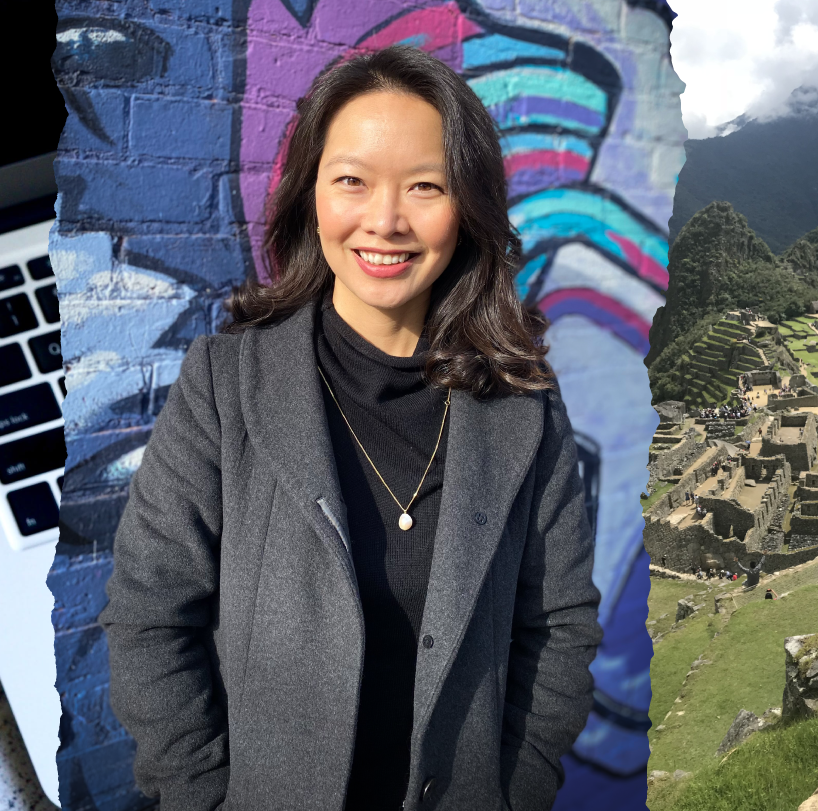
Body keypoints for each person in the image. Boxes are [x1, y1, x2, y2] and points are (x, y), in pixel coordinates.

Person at [101, 47, 602, 811]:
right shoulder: (224, 386)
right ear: (312, 196)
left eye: (425, 187)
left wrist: (516, 790)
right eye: (352, 181)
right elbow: (147, 612)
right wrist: (200, 798)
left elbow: (558, 625)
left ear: (466, 206)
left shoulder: (522, 406)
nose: (386, 220)